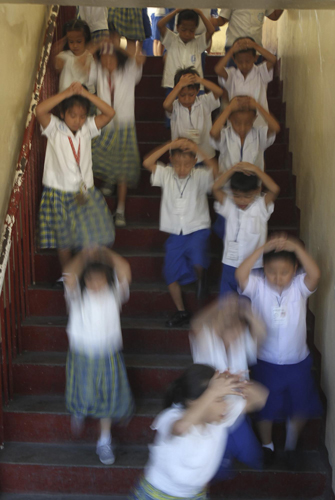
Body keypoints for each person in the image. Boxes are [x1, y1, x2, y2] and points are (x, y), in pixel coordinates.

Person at [236, 234, 323, 466]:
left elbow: (315, 274)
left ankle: (291, 445)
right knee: (266, 407)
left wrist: (295, 247)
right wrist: (263, 248)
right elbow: (240, 274)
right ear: (264, 268)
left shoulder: (299, 287)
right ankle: (267, 445)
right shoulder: (257, 285)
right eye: (272, 271)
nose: (278, 277)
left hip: (298, 361)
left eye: (284, 272)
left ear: (295, 269)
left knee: (301, 404)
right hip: (266, 360)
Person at [129, 364, 258, 499]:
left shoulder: (218, 418)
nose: (226, 405)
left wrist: (239, 384)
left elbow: (258, 398)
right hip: (156, 495)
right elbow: (180, 428)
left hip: (195, 495)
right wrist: (213, 391)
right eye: (220, 399)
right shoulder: (172, 416)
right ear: (193, 402)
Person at [63, 246, 134, 465]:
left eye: (100, 279)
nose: (95, 284)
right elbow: (69, 274)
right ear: (84, 281)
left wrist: (103, 251)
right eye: (90, 280)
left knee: (108, 398)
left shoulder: (115, 295)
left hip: (108, 355)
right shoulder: (77, 297)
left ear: (107, 280)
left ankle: (104, 440)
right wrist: (84, 255)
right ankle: (79, 409)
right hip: (81, 353)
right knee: (82, 392)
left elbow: (124, 268)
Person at [36, 82, 115, 270]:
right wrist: (66, 94)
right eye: (72, 115)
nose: (77, 120)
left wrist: (86, 95)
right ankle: (68, 275)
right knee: (63, 241)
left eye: (82, 116)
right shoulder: (54, 127)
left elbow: (110, 113)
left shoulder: (88, 127)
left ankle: (85, 272)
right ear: (63, 114)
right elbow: (40, 110)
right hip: (58, 193)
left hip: (84, 191)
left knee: (88, 235)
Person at [190, 295, 268, 478]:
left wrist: (246, 311)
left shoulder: (242, 339)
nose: (232, 325)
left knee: (254, 457)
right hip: (211, 412)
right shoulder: (205, 338)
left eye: (236, 322)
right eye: (225, 318)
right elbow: (196, 322)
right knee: (217, 465)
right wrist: (220, 303)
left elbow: (262, 334)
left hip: (238, 410)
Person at [143, 139, 218, 328]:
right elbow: (147, 163)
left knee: (197, 251)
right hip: (175, 232)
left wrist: (197, 149)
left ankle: (201, 276)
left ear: (194, 162)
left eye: (186, 164)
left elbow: (217, 170)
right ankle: (181, 310)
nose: (181, 168)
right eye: (177, 164)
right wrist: (168, 145)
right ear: (170, 161)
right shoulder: (166, 174)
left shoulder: (200, 175)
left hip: (197, 227)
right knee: (170, 273)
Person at [89, 41, 145, 227]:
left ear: (118, 58)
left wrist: (116, 45)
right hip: (105, 125)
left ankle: (120, 211)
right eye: (103, 58)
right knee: (100, 156)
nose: (106, 62)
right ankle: (108, 178)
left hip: (125, 126)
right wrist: (99, 45)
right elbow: (84, 59)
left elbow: (138, 57)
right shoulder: (98, 69)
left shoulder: (129, 69)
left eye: (110, 58)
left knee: (123, 169)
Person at [212, 162, 280, 296]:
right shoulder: (229, 205)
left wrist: (256, 169)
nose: (242, 200)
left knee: (251, 303)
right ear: (231, 192)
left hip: (254, 266)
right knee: (227, 303)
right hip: (230, 263)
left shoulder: (260, 207)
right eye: (237, 195)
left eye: (247, 196)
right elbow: (215, 188)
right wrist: (232, 170)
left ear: (257, 190)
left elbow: (275, 189)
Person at [163, 67, 223, 164]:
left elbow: (219, 92)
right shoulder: (175, 106)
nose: (187, 99)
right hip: (181, 157)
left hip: (205, 155)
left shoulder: (204, 101)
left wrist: (200, 80)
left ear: (197, 91)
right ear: (177, 92)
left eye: (191, 95)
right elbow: (166, 105)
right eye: (182, 95)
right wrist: (179, 85)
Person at [214, 37, 276, 126]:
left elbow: (273, 59)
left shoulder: (260, 72)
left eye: (248, 61)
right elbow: (218, 69)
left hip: (258, 122)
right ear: (234, 60)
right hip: (236, 123)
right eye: (240, 62)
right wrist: (231, 50)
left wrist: (255, 46)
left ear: (255, 58)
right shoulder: (232, 74)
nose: (244, 65)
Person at [210, 95, 280, 172]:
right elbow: (213, 132)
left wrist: (258, 106)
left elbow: (275, 128)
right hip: (227, 182)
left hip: (253, 182)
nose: (242, 128)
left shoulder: (259, 134)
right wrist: (229, 108)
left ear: (254, 119)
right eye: (237, 123)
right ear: (229, 119)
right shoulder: (225, 134)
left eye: (247, 123)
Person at [158, 9, 215, 94]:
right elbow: (160, 24)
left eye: (191, 30)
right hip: (173, 85)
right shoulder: (171, 39)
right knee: (173, 107)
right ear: (177, 27)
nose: (187, 34)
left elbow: (211, 31)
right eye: (184, 30)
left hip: (195, 87)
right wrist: (175, 11)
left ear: (195, 29)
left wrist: (200, 13)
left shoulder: (198, 42)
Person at [211, 9, 284, 67]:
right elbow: (223, 19)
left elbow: (274, 15)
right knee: (233, 80)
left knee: (255, 80)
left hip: (255, 48)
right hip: (235, 47)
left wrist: (286, 2)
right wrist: (214, 21)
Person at [52, 19, 94, 93]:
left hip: (84, 96)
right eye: (71, 41)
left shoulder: (89, 56)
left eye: (79, 41)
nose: (75, 45)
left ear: (85, 39)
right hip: (66, 96)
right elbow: (58, 65)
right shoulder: (64, 55)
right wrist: (63, 40)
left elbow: (91, 74)